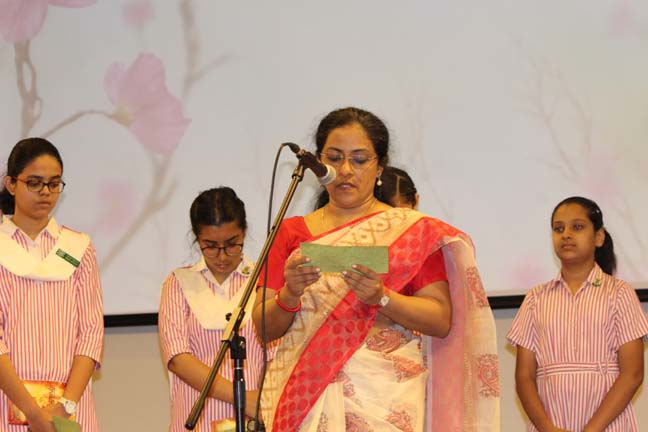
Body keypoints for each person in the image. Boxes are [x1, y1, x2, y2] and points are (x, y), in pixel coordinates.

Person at [253, 107, 500, 431]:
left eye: (359, 160)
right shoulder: (290, 233)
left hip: (385, 399)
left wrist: (382, 297)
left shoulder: (409, 231)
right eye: (334, 158)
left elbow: (440, 320)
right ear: (317, 163)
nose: (345, 170)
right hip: (306, 396)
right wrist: (290, 293)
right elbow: (263, 328)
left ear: (380, 166)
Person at [507, 196, 648, 431]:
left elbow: (632, 373)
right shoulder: (535, 298)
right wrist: (548, 428)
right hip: (550, 424)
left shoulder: (620, 293)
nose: (566, 235)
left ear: (599, 237)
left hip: (608, 424)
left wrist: (591, 430)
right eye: (558, 229)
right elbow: (524, 378)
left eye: (578, 227)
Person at [0, 138, 104, 432]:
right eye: (34, 183)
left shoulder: (78, 247)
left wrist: (66, 404)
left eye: (54, 183)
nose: (45, 192)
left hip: (69, 410)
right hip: (6, 404)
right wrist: (32, 411)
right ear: (11, 184)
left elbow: (91, 332)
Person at [158, 187, 267, 432]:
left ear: (244, 232)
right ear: (197, 239)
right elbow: (178, 359)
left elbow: (276, 357)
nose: (222, 256)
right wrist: (241, 397)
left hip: (255, 420)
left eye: (232, 244)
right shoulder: (178, 283)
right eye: (210, 246)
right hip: (197, 420)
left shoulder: (263, 279)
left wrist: (257, 402)